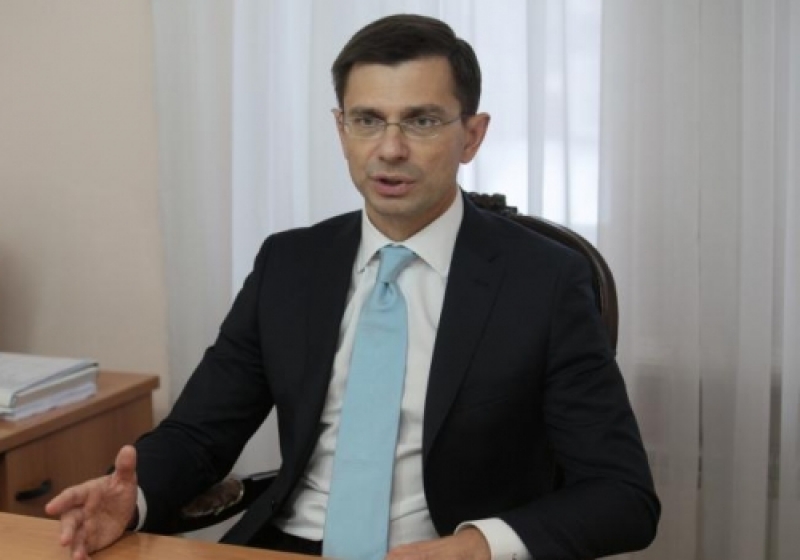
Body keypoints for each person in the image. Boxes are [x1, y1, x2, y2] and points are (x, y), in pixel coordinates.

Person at [46, 13, 659, 560]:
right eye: (367, 120)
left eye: (421, 121)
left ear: (471, 135)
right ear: (342, 130)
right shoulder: (290, 264)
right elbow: (200, 433)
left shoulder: (545, 281)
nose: (389, 149)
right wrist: (134, 499)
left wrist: (477, 546)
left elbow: (622, 495)